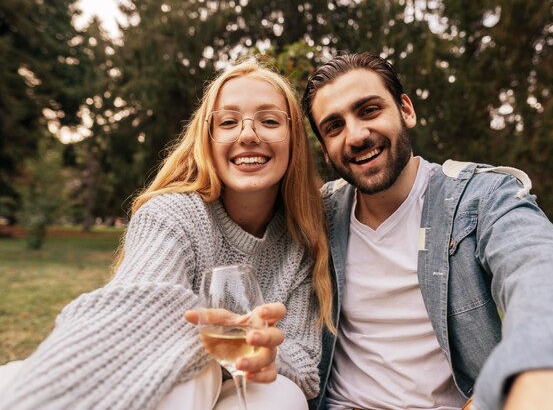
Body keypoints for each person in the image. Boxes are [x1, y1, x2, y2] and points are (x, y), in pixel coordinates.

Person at [0, 59, 334, 410]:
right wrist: (212, 338)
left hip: (243, 383)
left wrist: (267, 351)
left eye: (269, 121)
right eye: (228, 122)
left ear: (293, 139)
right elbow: (136, 314)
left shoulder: (302, 236)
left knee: (282, 395)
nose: (248, 135)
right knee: (194, 374)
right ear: (208, 139)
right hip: (163, 378)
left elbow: (307, 367)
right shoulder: (172, 214)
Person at [301, 52, 553, 410]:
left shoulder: (481, 197)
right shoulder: (317, 216)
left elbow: (545, 268)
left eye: (369, 111)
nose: (356, 135)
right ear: (326, 151)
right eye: (334, 127)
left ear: (405, 110)